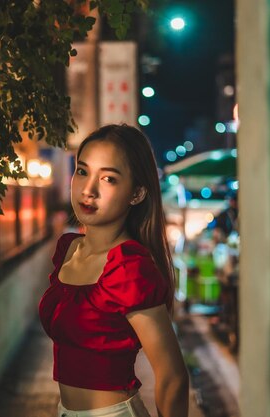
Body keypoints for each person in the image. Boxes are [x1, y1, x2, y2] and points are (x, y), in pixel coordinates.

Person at [39, 124, 189, 417]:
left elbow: (173, 377)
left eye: (108, 178)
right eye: (82, 171)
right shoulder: (69, 250)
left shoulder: (129, 268)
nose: (88, 190)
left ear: (137, 193)